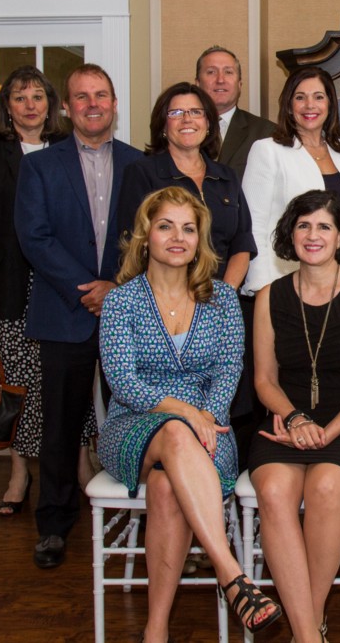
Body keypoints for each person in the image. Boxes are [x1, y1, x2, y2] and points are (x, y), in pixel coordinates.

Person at [98, 186, 281, 642]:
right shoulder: (121, 301)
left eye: (188, 229)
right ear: (145, 236)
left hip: (210, 429)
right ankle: (233, 575)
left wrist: (207, 417)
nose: (177, 238)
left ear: (200, 240)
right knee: (177, 433)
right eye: (165, 227)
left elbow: (228, 372)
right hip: (132, 423)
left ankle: (155, 630)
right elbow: (123, 381)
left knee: (164, 488)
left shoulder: (222, 300)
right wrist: (185, 413)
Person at [247, 190, 340, 643]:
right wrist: (295, 421)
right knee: (271, 490)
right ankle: (310, 634)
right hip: (284, 421)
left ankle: (307, 621)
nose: (313, 235)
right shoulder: (269, 296)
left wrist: (325, 432)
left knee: (326, 485)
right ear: (291, 233)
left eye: (324, 226)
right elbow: (264, 380)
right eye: (304, 225)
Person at [15, 63, 143, 569]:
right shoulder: (40, 167)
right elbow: (34, 237)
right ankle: (54, 524)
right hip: (65, 311)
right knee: (60, 428)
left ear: (114, 103)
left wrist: (116, 287)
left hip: (128, 313)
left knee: (134, 418)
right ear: (67, 107)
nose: (93, 104)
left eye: (102, 95)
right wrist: (87, 290)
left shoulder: (140, 164)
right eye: (82, 96)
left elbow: (149, 236)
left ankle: (142, 515)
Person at [0, 65, 98, 515]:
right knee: (15, 383)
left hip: (62, 285)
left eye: (38, 96)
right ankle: (19, 472)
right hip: (8, 286)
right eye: (20, 98)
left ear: (53, 105)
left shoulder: (67, 147)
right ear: (8, 107)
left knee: (64, 383)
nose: (30, 105)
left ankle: (80, 463)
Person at [242, 67, 340, 297]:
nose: (310, 105)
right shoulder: (268, 151)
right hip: (289, 287)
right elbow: (253, 226)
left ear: (330, 104)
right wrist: (262, 288)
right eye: (300, 97)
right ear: (289, 107)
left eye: (318, 97)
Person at [118, 81, 256, 289]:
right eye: (176, 113)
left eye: (196, 112)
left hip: (221, 299)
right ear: (163, 125)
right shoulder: (142, 173)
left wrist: (223, 295)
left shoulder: (227, 177)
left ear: (208, 123)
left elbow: (242, 245)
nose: (187, 119)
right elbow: (134, 245)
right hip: (163, 298)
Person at [194, 45, 276, 182]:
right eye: (211, 72)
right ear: (197, 83)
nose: (220, 80)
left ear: (239, 84)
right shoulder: (182, 128)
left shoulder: (266, 132)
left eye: (228, 72)